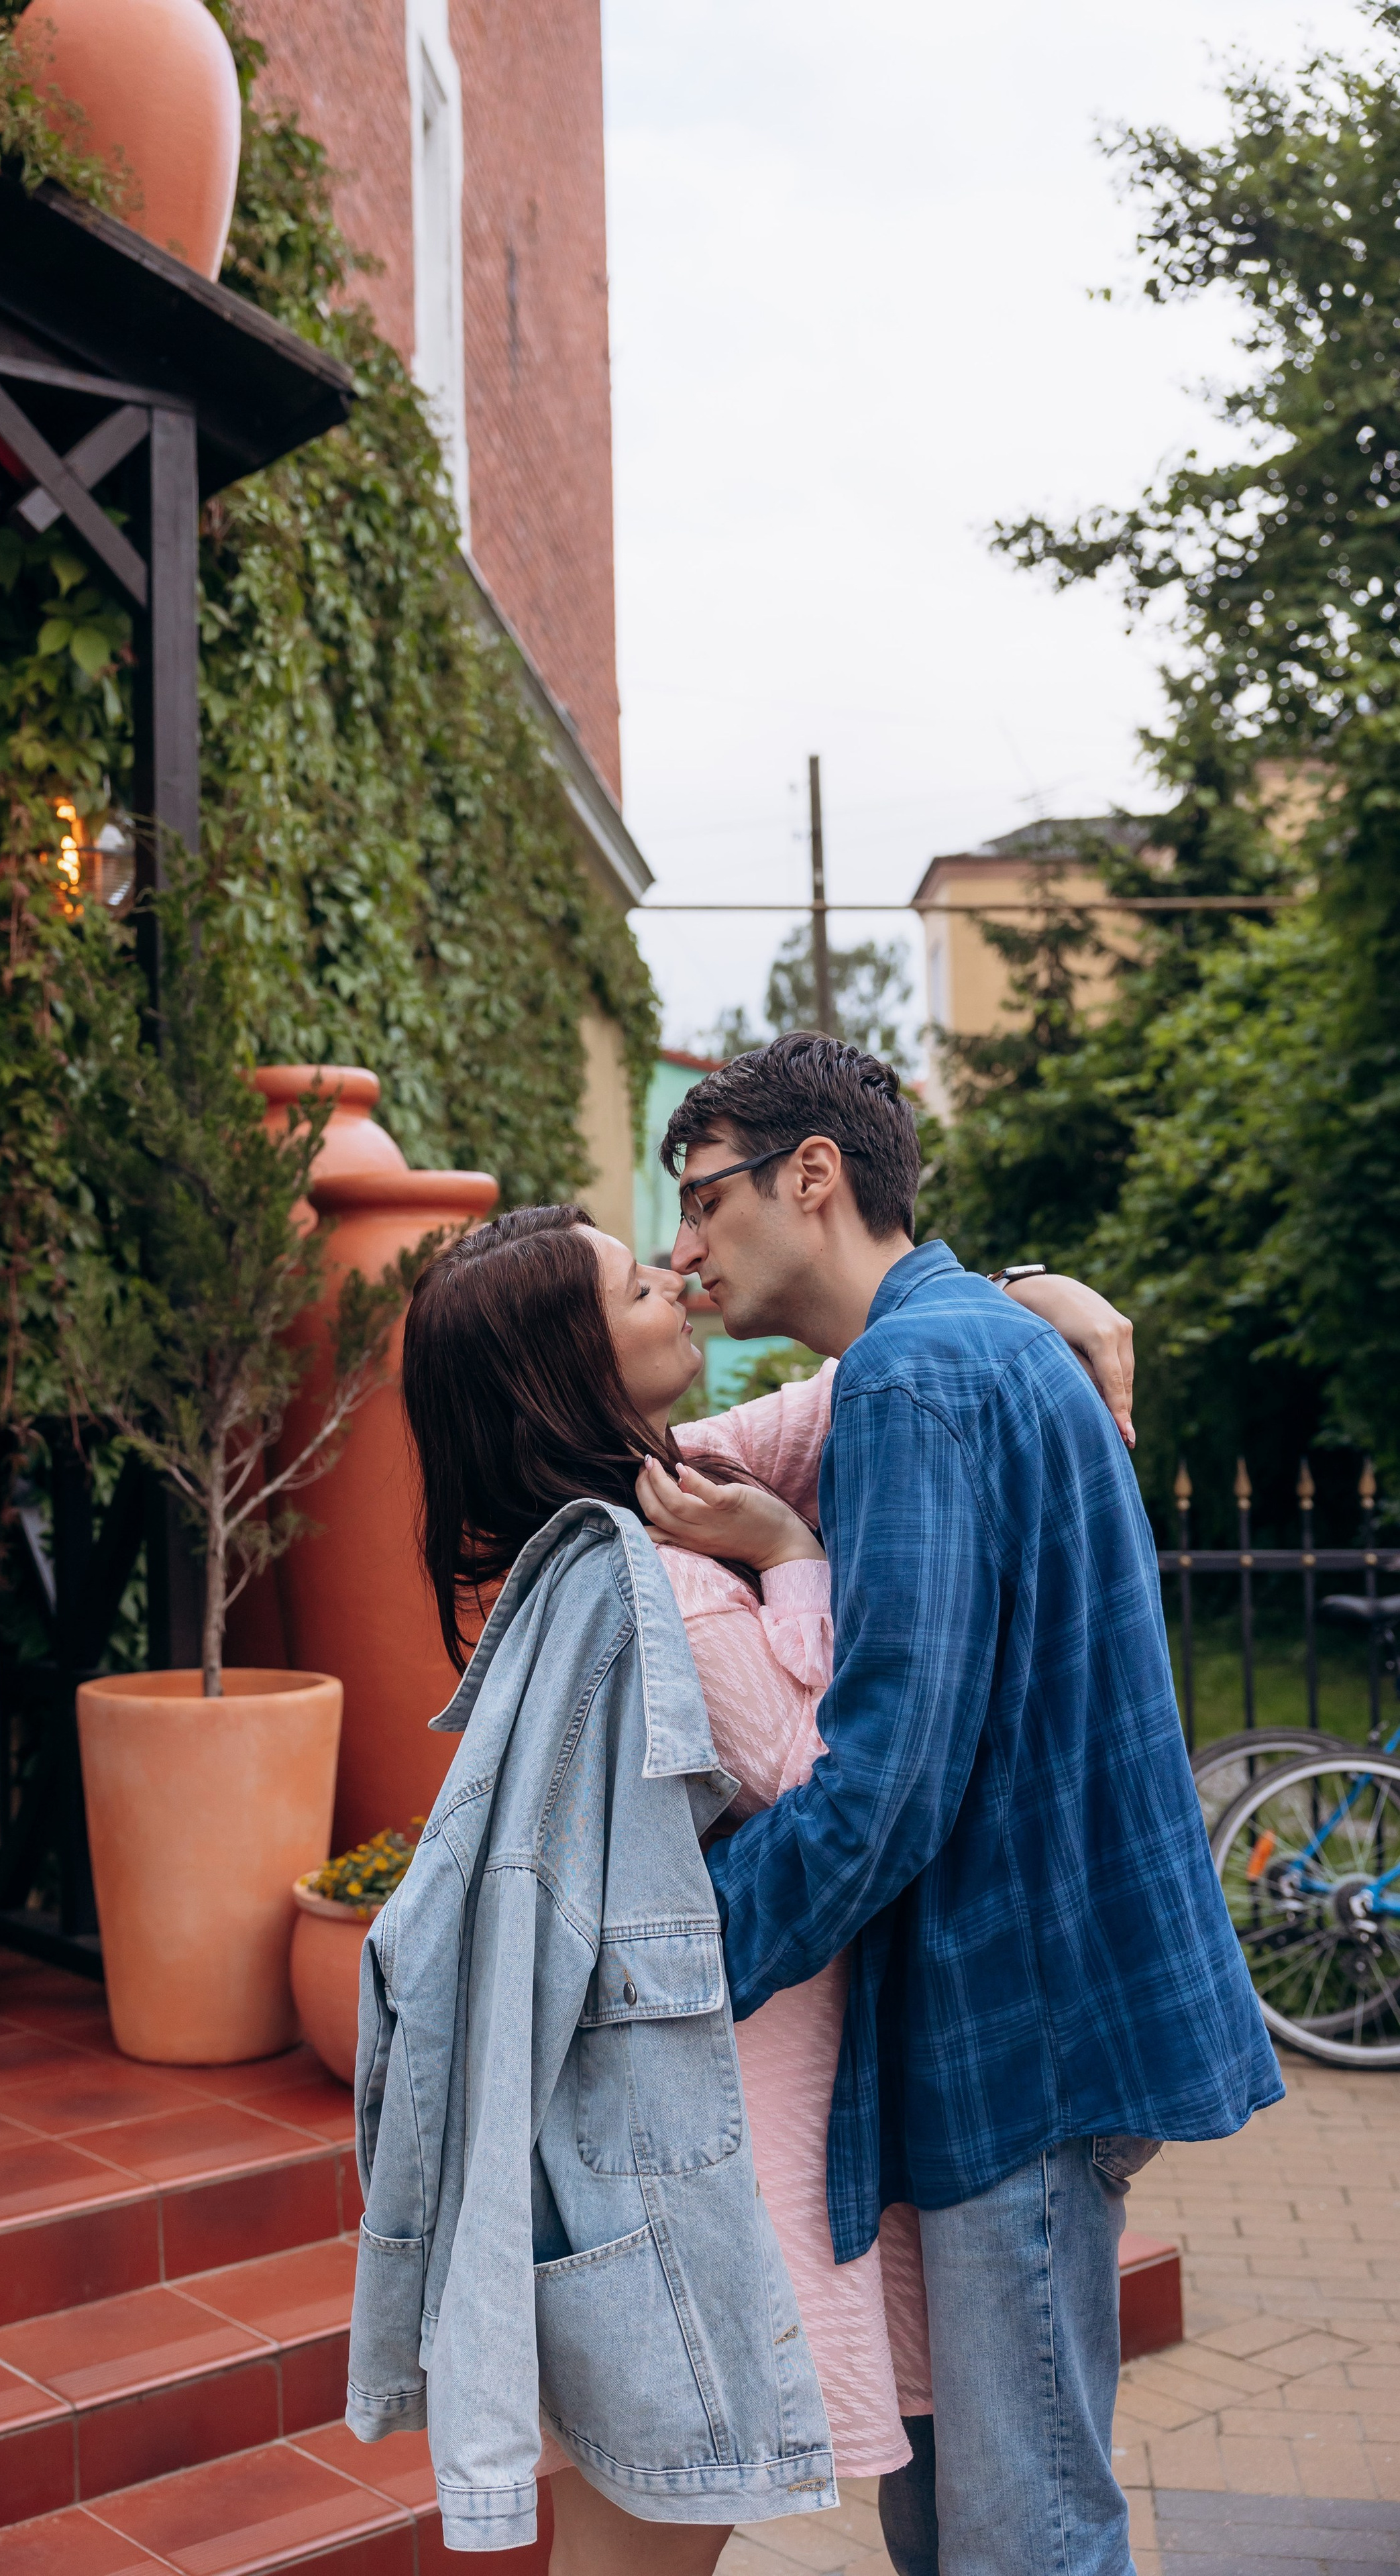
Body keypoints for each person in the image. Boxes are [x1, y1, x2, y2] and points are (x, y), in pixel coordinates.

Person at [397, 1197, 1138, 2576]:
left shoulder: (632, 1503)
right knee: (650, 2538)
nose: (675, 1282)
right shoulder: (664, 1580)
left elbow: (850, 1377)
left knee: (660, 2518)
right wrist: (794, 1564)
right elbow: (832, 1791)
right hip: (703, 2144)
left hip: (694, 2116)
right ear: (563, 1365)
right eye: (635, 1289)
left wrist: (1030, 1291)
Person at [647, 1032, 1282, 2576]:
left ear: (811, 1177)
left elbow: (881, 1789)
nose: (680, 1247)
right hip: (1017, 2031)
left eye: (700, 1198)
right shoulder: (942, 1351)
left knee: (1019, 2540)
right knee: (965, 2528)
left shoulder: (919, 1376)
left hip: (1026, 2037)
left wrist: (668, 1956)